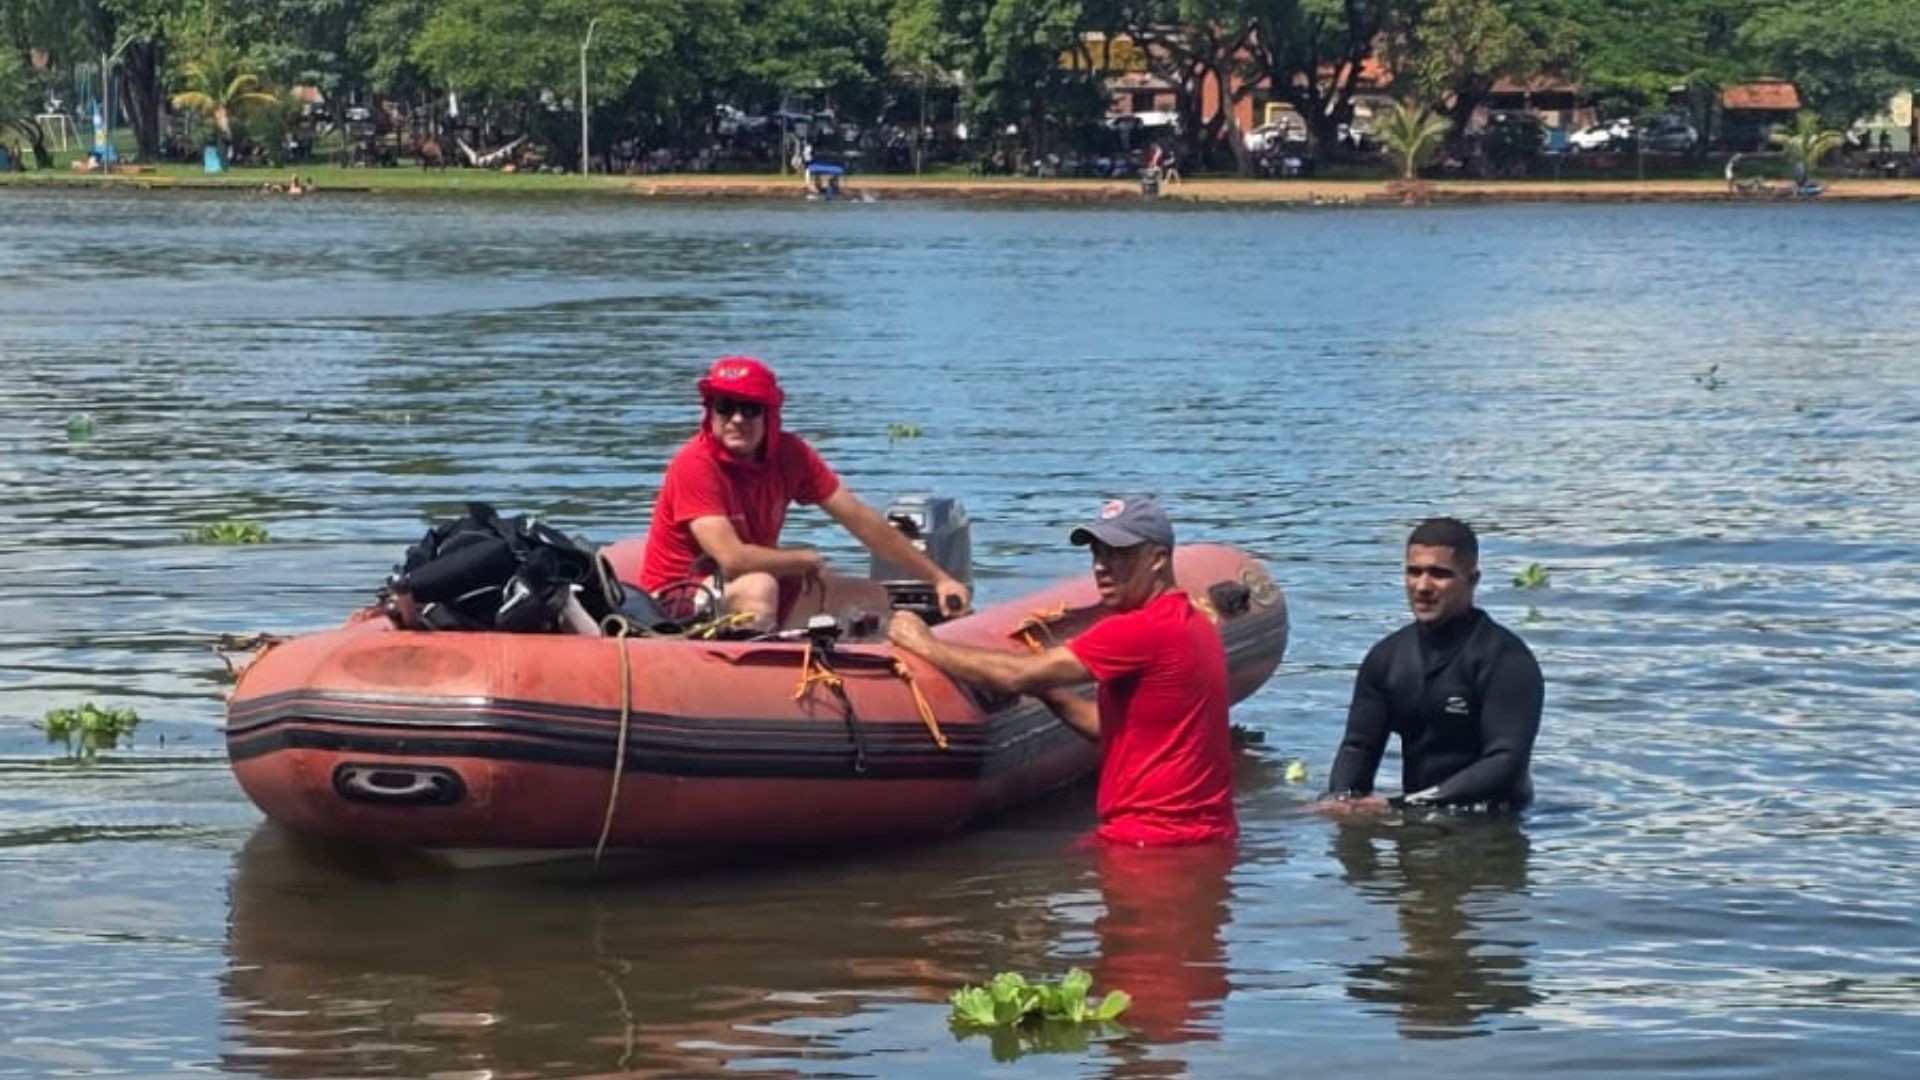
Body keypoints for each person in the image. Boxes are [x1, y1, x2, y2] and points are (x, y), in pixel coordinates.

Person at [888, 495, 1237, 846]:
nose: (1102, 566)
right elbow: (1106, 727)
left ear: (1158, 559)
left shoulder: (1140, 630)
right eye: (1098, 553)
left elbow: (1016, 676)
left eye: (1118, 554)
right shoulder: (1195, 625)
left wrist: (926, 645)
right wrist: (1046, 689)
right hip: (1202, 834)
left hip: (1153, 841)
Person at [639, 357, 968, 631]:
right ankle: (750, 683)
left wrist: (938, 578)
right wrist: (805, 559)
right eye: (726, 407)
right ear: (711, 413)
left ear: (770, 415)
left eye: (751, 409)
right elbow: (733, 560)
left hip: (755, 582)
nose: (737, 419)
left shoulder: (790, 455)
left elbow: (862, 521)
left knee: (873, 597)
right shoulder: (694, 465)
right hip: (678, 597)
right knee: (759, 588)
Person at [1320, 517, 1543, 815]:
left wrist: (1402, 804)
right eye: (1414, 572)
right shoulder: (1386, 659)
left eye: (1439, 574)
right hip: (1416, 816)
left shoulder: (1507, 659)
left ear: (1472, 579)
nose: (1423, 586)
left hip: (1491, 824)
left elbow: (1506, 764)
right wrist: (1342, 802)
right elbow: (1358, 747)